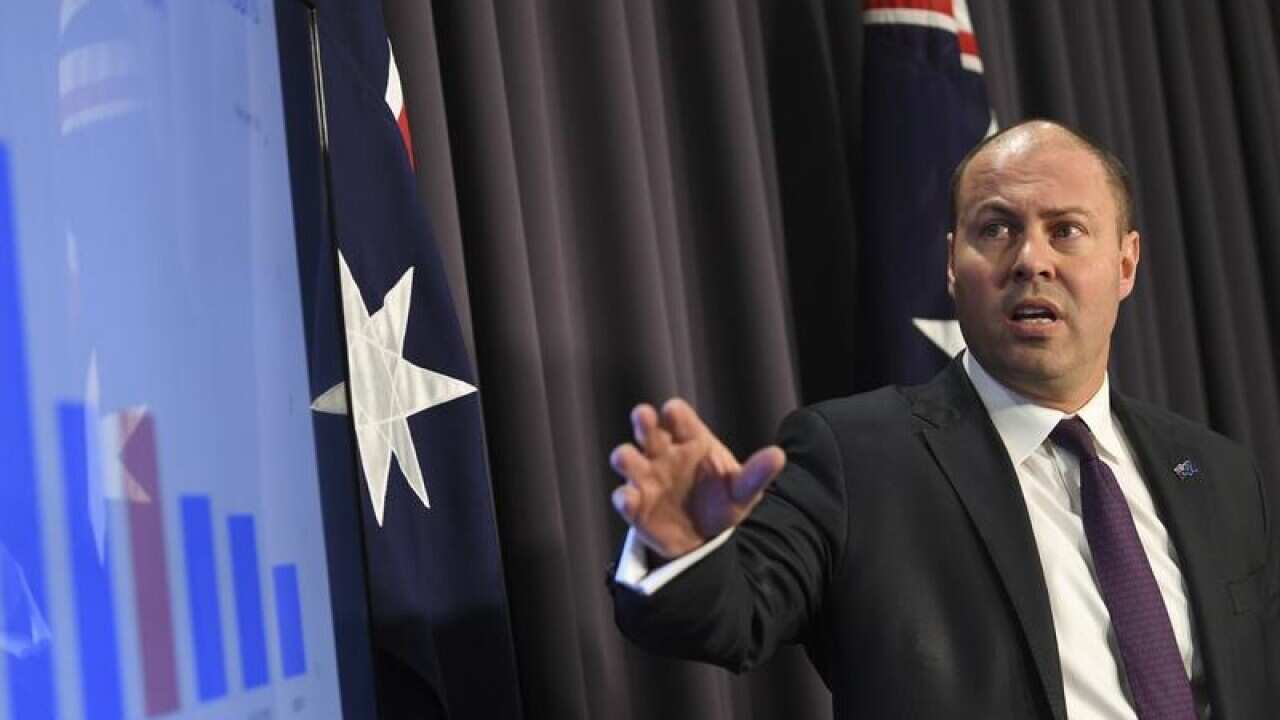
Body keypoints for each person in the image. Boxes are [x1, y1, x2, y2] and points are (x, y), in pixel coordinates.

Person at [607, 119, 1279, 719]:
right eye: (996, 229)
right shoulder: (854, 456)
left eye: (1065, 231)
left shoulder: (1219, 474)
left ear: (1125, 263)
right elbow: (729, 618)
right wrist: (683, 551)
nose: (1031, 260)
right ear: (953, 265)